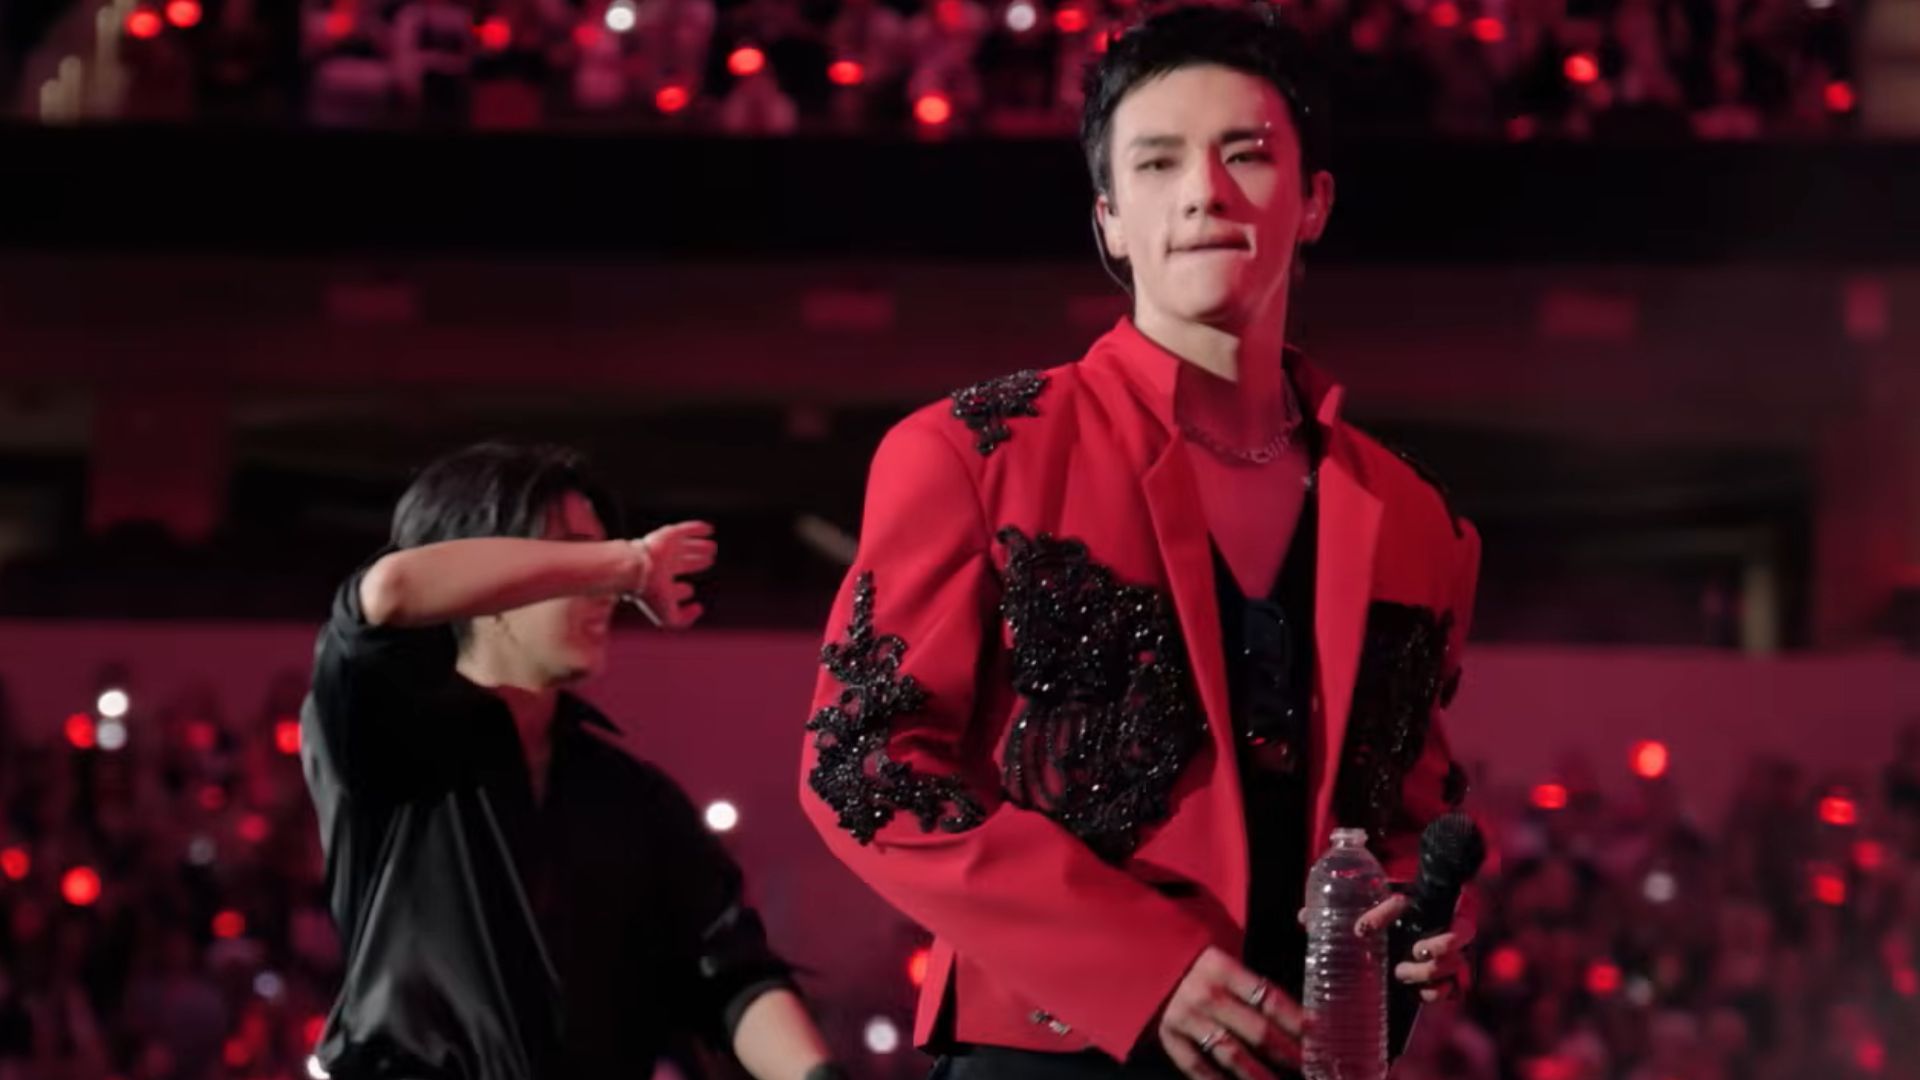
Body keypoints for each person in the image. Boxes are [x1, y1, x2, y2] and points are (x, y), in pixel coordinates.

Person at [798, 7, 1481, 1078]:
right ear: (1110, 219)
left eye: (1245, 154)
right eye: (1158, 163)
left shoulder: (1415, 518)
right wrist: (1138, 966)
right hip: (1043, 1055)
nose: (1204, 191)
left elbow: (1409, 807)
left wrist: (1421, 919)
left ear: (1314, 202)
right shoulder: (973, 454)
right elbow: (860, 767)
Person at [302, 442, 839, 1080]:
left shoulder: (634, 799)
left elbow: (732, 975)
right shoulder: (383, 734)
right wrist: (630, 562)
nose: (607, 588)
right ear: (490, 580)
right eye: (572, 557)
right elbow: (391, 590)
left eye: (601, 557)